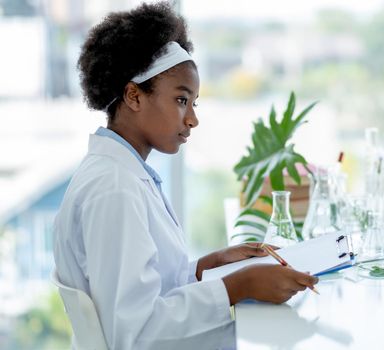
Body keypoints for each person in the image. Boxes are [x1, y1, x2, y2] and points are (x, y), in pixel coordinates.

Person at [53, 2, 318, 349]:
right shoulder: (114, 189)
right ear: (134, 95)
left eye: (194, 103)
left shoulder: (125, 174)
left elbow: (148, 288)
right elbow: (134, 332)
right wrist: (238, 287)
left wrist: (209, 266)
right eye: (181, 100)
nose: (192, 119)